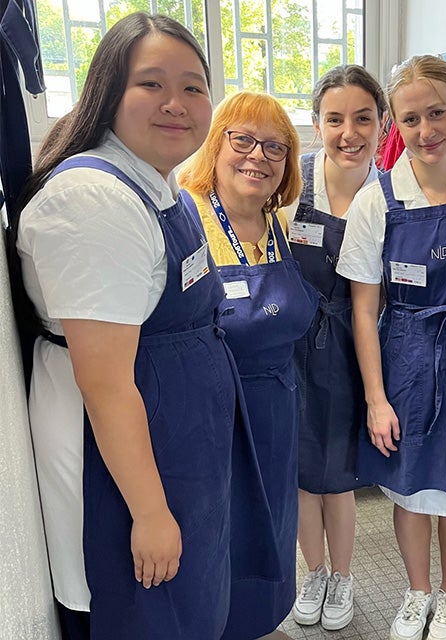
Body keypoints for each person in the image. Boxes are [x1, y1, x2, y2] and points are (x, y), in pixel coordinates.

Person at [15, 13, 277, 640]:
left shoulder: (164, 188)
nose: (176, 104)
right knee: (146, 609)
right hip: (127, 466)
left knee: (191, 602)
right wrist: (150, 512)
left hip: (178, 441)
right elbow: (105, 385)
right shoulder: (91, 201)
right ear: (107, 92)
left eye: (192, 86)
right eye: (150, 84)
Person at [336, 54, 446, 640]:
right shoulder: (376, 200)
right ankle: (415, 593)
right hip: (403, 355)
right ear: (393, 125)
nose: (426, 130)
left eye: (437, 113)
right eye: (410, 120)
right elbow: (363, 308)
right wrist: (376, 399)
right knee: (409, 488)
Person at [178, 91, 319, 639]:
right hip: (212, 412)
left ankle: (259, 621)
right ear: (216, 145)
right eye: (243, 140)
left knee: (271, 521)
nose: (258, 156)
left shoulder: (278, 221)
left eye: (276, 147)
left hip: (276, 408)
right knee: (215, 528)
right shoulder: (185, 215)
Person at [285, 64, 388, 631]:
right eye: (334, 119)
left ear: (381, 122)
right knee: (302, 474)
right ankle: (314, 572)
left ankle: (344, 576)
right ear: (316, 123)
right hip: (293, 346)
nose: (349, 132)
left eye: (363, 118)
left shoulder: (391, 192)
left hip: (356, 348)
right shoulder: (291, 179)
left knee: (340, 475)